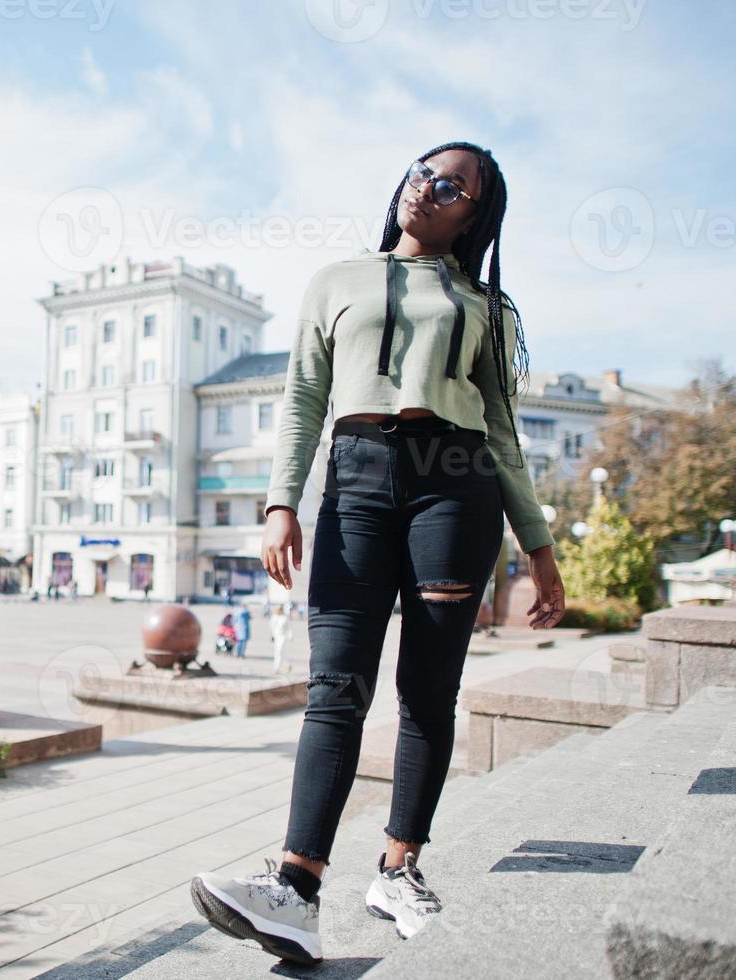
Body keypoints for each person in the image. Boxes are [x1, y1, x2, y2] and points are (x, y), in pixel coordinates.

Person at [190, 143, 567, 965]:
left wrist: (537, 546)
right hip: (357, 480)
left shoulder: (485, 308)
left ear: (474, 212)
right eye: (419, 172)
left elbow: (500, 430)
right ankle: (294, 888)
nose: (425, 188)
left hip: (455, 486)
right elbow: (302, 395)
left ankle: (398, 868)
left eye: (450, 184)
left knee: (428, 689)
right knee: (336, 686)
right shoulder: (336, 282)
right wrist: (281, 502)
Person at [270, 600, 292, 673]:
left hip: (282, 637)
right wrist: (272, 636)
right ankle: (288, 664)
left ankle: (277, 668)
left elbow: (288, 628)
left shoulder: (284, 618)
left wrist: (290, 636)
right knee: (279, 652)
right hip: (276, 636)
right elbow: (271, 627)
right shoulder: (274, 617)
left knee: (279, 651)